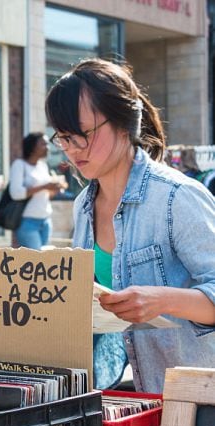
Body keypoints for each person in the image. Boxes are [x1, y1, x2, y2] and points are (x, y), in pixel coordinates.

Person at [45, 58, 215, 393]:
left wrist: (162, 299)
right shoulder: (83, 207)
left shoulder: (177, 197)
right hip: (131, 399)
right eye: (64, 138)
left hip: (195, 400)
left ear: (124, 123)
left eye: (82, 135)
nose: (72, 149)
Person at [7, 132, 66, 249]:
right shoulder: (19, 165)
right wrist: (44, 187)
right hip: (27, 223)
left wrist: (55, 188)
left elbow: (46, 195)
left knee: (43, 261)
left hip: (45, 220)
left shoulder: (43, 166)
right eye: (43, 144)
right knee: (35, 259)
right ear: (32, 147)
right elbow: (16, 193)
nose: (48, 147)